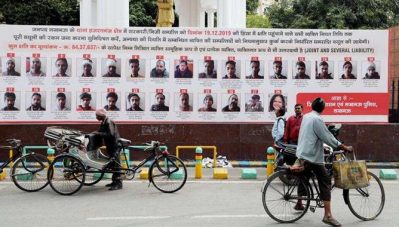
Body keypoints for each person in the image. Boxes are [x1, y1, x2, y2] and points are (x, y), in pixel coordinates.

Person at [295, 97, 353, 226]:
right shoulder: (317, 119)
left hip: (302, 152)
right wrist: (343, 147)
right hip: (312, 155)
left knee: (304, 176)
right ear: (323, 108)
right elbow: (327, 137)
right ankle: (328, 215)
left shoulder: (307, 116)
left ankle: (299, 202)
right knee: (325, 181)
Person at [94, 109, 122, 190]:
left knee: (116, 164)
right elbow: (102, 131)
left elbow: (111, 134)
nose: (96, 117)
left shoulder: (108, 121)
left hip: (114, 145)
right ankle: (114, 181)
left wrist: (99, 133)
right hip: (110, 145)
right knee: (113, 164)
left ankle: (118, 184)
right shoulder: (104, 121)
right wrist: (96, 132)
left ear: (101, 115)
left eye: (97, 116)